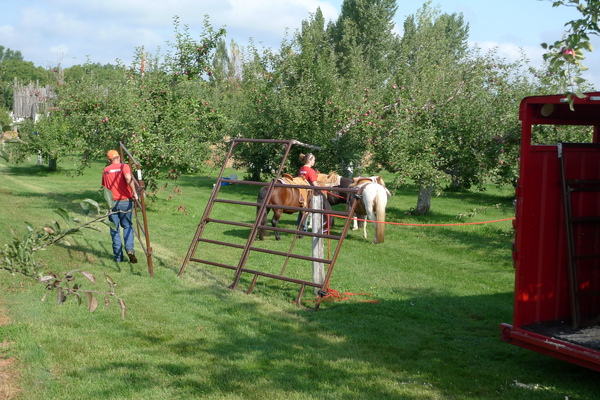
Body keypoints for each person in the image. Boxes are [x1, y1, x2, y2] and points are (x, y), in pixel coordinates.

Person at [102, 150, 139, 263]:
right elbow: (128, 178)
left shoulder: (105, 170)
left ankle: (118, 258)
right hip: (124, 202)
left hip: (111, 203)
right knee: (127, 226)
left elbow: (104, 187)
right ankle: (129, 249)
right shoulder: (124, 166)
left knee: (114, 230)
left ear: (109, 160)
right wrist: (135, 192)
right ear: (118, 157)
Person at [296, 153, 318, 231]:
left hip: (301, 193)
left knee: (301, 211)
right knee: (307, 211)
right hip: (308, 193)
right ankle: (304, 228)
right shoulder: (311, 171)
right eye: (313, 160)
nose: (314, 162)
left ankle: (299, 227)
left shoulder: (301, 169)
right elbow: (315, 184)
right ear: (309, 161)